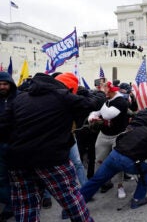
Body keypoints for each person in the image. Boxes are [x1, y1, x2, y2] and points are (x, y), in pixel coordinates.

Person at [0, 72, 102, 222]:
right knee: (71, 200)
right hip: (52, 160)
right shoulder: (63, 96)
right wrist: (95, 91)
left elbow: (3, 128)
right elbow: (94, 103)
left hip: (18, 161)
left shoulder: (20, 98)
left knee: (26, 207)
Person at [88, 81, 129, 199]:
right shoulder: (107, 100)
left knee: (118, 162)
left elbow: (107, 115)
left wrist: (101, 104)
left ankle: (120, 186)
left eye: (106, 91)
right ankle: (100, 184)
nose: (104, 93)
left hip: (118, 135)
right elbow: (97, 112)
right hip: (104, 135)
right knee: (99, 160)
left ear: (111, 91)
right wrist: (92, 117)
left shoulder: (121, 101)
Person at [0, 72, 19, 221]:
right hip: (1, 145)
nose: (2, 87)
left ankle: (19, 203)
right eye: (0, 84)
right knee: (2, 177)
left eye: (5, 84)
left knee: (18, 177)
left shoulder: (19, 98)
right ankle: (11, 203)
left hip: (17, 144)